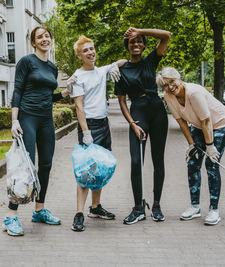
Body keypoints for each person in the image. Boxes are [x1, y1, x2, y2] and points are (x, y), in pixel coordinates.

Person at [4, 26, 72, 236]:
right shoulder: (26, 62)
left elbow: (46, 96)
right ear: (33, 42)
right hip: (27, 118)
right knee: (25, 166)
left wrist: (64, 94)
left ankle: (39, 210)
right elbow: (18, 91)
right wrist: (14, 121)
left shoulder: (52, 68)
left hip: (45, 120)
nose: (45, 39)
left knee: (46, 165)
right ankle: (11, 216)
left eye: (47, 36)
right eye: (40, 37)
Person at [156, 66, 225, 225]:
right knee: (193, 162)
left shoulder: (194, 92)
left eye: (171, 82)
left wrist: (210, 146)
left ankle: (214, 210)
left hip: (219, 124)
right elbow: (181, 121)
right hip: (197, 126)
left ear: (178, 78)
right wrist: (191, 145)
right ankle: (195, 207)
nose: (170, 87)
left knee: (211, 164)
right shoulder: (169, 96)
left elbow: (206, 120)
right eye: (165, 85)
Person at [69, 35, 126, 231]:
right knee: (85, 171)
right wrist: (86, 132)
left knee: (100, 168)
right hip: (89, 126)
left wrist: (115, 66)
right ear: (79, 55)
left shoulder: (102, 71)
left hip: (104, 124)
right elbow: (79, 106)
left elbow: (123, 61)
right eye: (85, 50)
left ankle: (95, 207)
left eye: (92, 48)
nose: (90, 52)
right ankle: (79, 213)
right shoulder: (77, 77)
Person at [114, 27, 171, 224]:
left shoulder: (150, 61)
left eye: (139, 41)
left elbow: (166, 35)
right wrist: (132, 124)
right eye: (132, 42)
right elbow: (122, 101)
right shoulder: (121, 70)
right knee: (137, 161)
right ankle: (138, 208)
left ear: (144, 45)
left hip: (157, 111)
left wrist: (139, 30)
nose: (136, 44)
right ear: (127, 46)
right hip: (138, 113)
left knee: (158, 159)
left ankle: (156, 205)